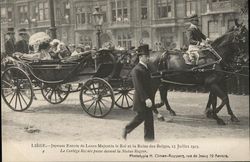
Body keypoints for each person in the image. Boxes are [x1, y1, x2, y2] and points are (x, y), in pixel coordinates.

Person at [123, 44, 155, 141]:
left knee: (149, 120)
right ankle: (126, 129)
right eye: (146, 56)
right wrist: (146, 99)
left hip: (148, 99)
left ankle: (149, 140)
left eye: (148, 56)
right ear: (140, 57)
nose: (148, 58)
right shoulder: (136, 70)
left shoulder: (146, 67)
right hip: (141, 99)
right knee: (141, 117)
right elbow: (138, 87)